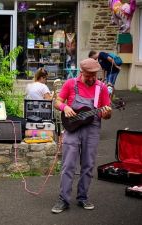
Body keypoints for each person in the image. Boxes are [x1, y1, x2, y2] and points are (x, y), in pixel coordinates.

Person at [51, 58, 112, 214]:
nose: (92, 78)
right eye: (88, 75)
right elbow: (57, 102)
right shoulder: (70, 84)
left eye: (94, 75)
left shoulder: (102, 88)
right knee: (68, 164)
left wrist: (107, 113)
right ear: (82, 72)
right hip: (72, 127)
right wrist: (64, 108)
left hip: (92, 128)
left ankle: (83, 197)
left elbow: (107, 114)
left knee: (88, 165)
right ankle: (63, 199)